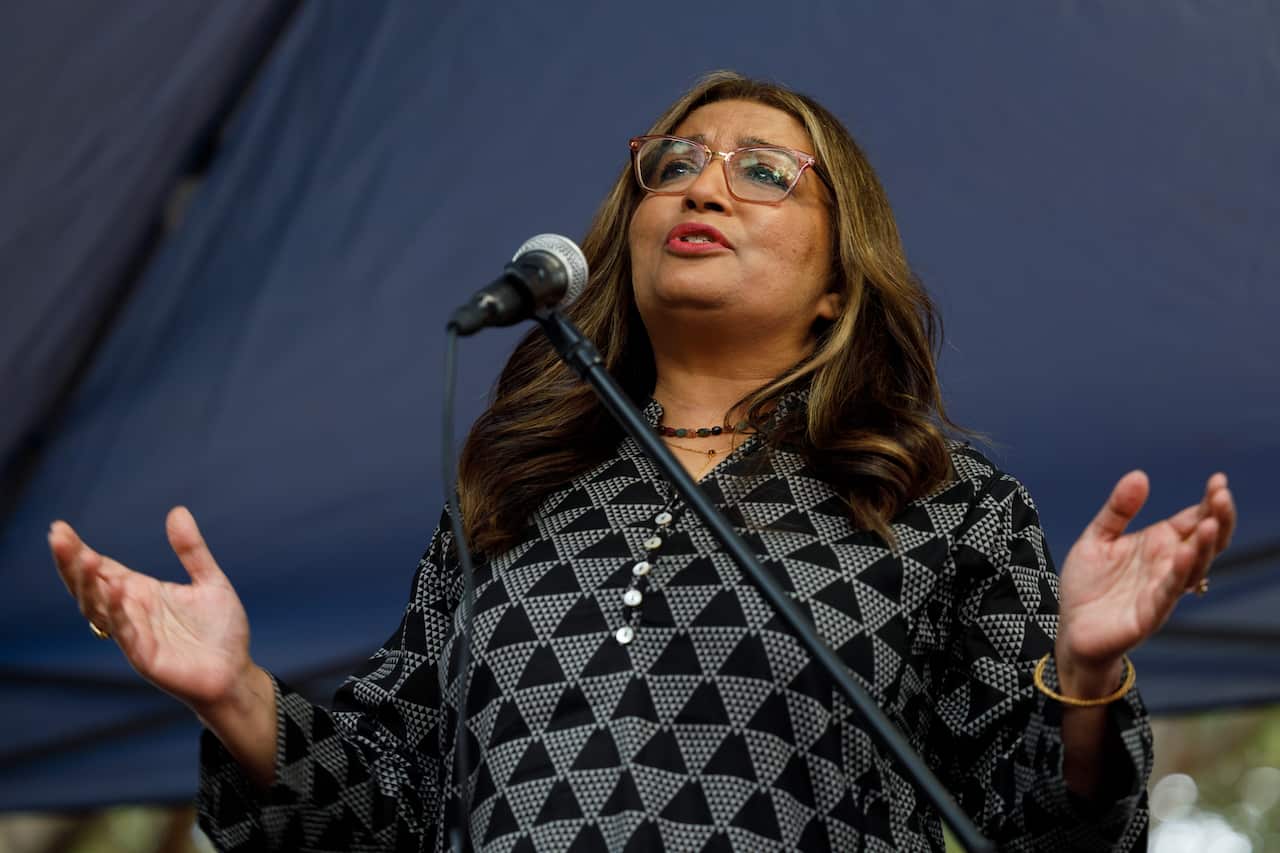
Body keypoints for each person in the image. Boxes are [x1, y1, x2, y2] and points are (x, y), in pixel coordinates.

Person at [49, 71, 1236, 852]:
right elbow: (380, 814)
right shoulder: (510, 498)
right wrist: (235, 696)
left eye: (763, 170)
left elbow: (1050, 834)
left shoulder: (942, 504)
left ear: (835, 291)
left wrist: (1082, 674)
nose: (701, 182)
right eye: (670, 162)